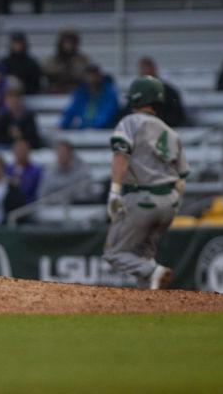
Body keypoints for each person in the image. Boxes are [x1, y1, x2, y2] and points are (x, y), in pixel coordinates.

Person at [103, 76, 189, 290]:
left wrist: (114, 192)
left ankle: (153, 272)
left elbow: (121, 155)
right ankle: (150, 299)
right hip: (168, 203)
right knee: (144, 255)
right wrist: (174, 203)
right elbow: (182, 175)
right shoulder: (170, 132)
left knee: (114, 253)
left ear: (136, 99)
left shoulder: (130, 122)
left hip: (143, 198)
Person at [60, 64, 119, 129]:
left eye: (94, 76)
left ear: (99, 77)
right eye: (89, 76)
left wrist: (93, 126)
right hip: (84, 128)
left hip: (105, 128)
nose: (91, 79)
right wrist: (62, 125)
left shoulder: (109, 93)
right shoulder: (80, 93)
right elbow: (71, 111)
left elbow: (108, 113)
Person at [138, 57, 187, 128]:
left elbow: (176, 115)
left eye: (148, 72)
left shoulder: (169, 92)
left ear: (155, 71)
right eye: (143, 72)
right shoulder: (136, 92)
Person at [43, 29, 91, 93]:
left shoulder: (83, 60)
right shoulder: (52, 60)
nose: (68, 45)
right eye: (66, 41)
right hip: (57, 92)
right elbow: (48, 72)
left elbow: (86, 75)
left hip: (77, 91)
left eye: (71, 42)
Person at [5, 139, 42, 205]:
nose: (20, 153)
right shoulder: (8, 169)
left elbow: (28, 189)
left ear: (28, 152)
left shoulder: (35, 170)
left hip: (28, 205)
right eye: (18, 150)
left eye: (22, 150)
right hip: (9, 205)